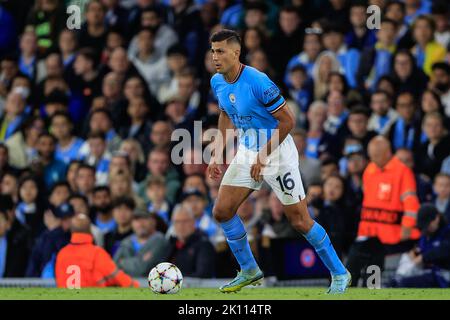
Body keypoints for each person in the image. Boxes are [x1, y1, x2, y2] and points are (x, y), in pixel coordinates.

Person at [208, 29, 350, 294]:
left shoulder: (258, 81)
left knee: (300, 221)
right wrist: (217, 152)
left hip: (277, 152)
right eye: (213, 51)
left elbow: (288, 121)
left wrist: (263, 156)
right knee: (222, 211)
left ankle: (340, 273)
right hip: (249, 150)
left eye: (221, 51)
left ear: (236, 53)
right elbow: (226, 114)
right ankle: (249, 270)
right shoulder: (217, 81)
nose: (215, 57)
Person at [346, 136, 421, 286]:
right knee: (352, 266)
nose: (373, 158)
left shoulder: (402, 172)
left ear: (388, 153)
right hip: (369, 231)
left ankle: (371, 293)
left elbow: (411, 204)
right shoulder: (370, 170)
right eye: (371, 155)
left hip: (390, 233)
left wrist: (407, 227)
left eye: (377, 155)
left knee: (373, 269)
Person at [55, 214, 139, 288]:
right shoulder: (97, 253)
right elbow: (117, 277)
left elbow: (60, 282)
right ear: (90, 231)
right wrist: (135, 286)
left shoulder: (62, 254)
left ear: (72, 231)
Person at [393, 204, 450, 288]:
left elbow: (443, 249)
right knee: (395, 282)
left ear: (436, 218)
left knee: (405, 284)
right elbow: (422, 248)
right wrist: (415, 253)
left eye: (428, 224)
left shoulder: (447, 231)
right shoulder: (426, 233)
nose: (427, 228)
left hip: (443, 275)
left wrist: (423, 257)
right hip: (426, 271)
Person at [113, 209, 169, 277]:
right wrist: (139, 260)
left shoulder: (160, 240)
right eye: (136, 220)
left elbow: (142, 269)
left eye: (144, 219)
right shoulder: (126, 242)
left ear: (153, 222)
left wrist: (122, 262)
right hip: (126, 285)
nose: (140, 223)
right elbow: (113, 267)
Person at [165, 204, 216, 278]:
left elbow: (203, 275)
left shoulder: (204, 244)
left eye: (185, 221)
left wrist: (173, 279)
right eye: (177, 222)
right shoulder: (172, 244)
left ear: (193, 222)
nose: (181, 226)